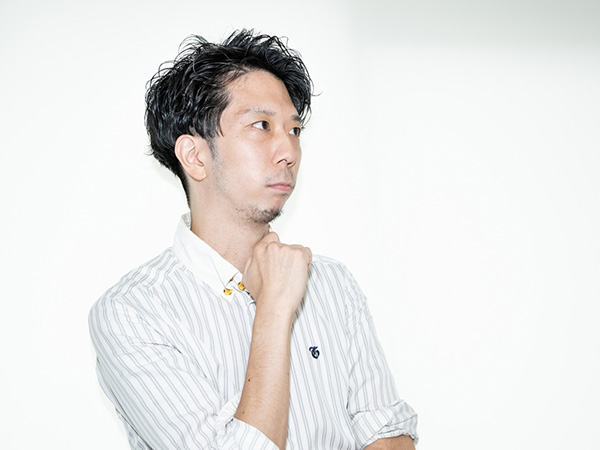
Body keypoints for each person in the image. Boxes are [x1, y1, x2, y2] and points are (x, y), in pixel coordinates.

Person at [89, 29, 418, 450]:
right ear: (194, 156)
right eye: (261, 125)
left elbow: (388, 435)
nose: (289, 152)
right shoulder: (134, 312)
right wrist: (274, 309)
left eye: (294, 130)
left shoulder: (332, 284)